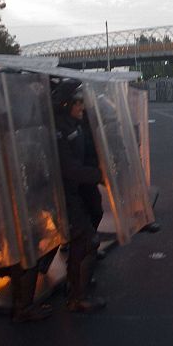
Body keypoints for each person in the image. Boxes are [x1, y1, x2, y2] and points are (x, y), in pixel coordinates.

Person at [52, 80, 106, 312]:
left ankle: (76, 285)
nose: (82, 107)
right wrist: (99, 176)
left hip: (75, 190)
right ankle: (77, 296)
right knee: (87, 240)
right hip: (62, 193)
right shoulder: (59, 130)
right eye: (78, 103)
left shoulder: (74, 124)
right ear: (66, 104)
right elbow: (68, 168)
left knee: (82, 238)